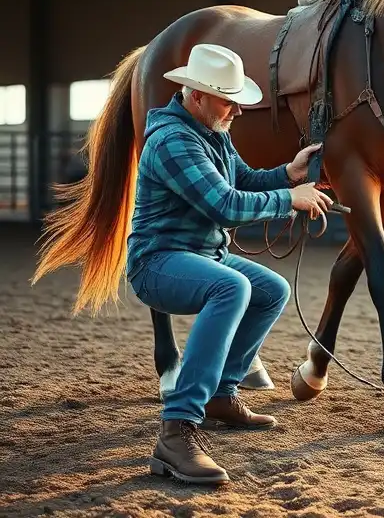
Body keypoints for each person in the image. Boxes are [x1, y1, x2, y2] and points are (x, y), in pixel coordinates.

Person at [125, 43, 334, 485]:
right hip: (158, 262)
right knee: (232, 287)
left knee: (271, 290)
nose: (237, 110)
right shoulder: (172, 140)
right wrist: (288, 200)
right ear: (196, 95)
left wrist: (287, 174)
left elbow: (241, 180)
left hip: (203, 256)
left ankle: (220, 393)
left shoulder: (210, 127)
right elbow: (225, 205)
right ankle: (176, 429)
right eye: (229, 100)